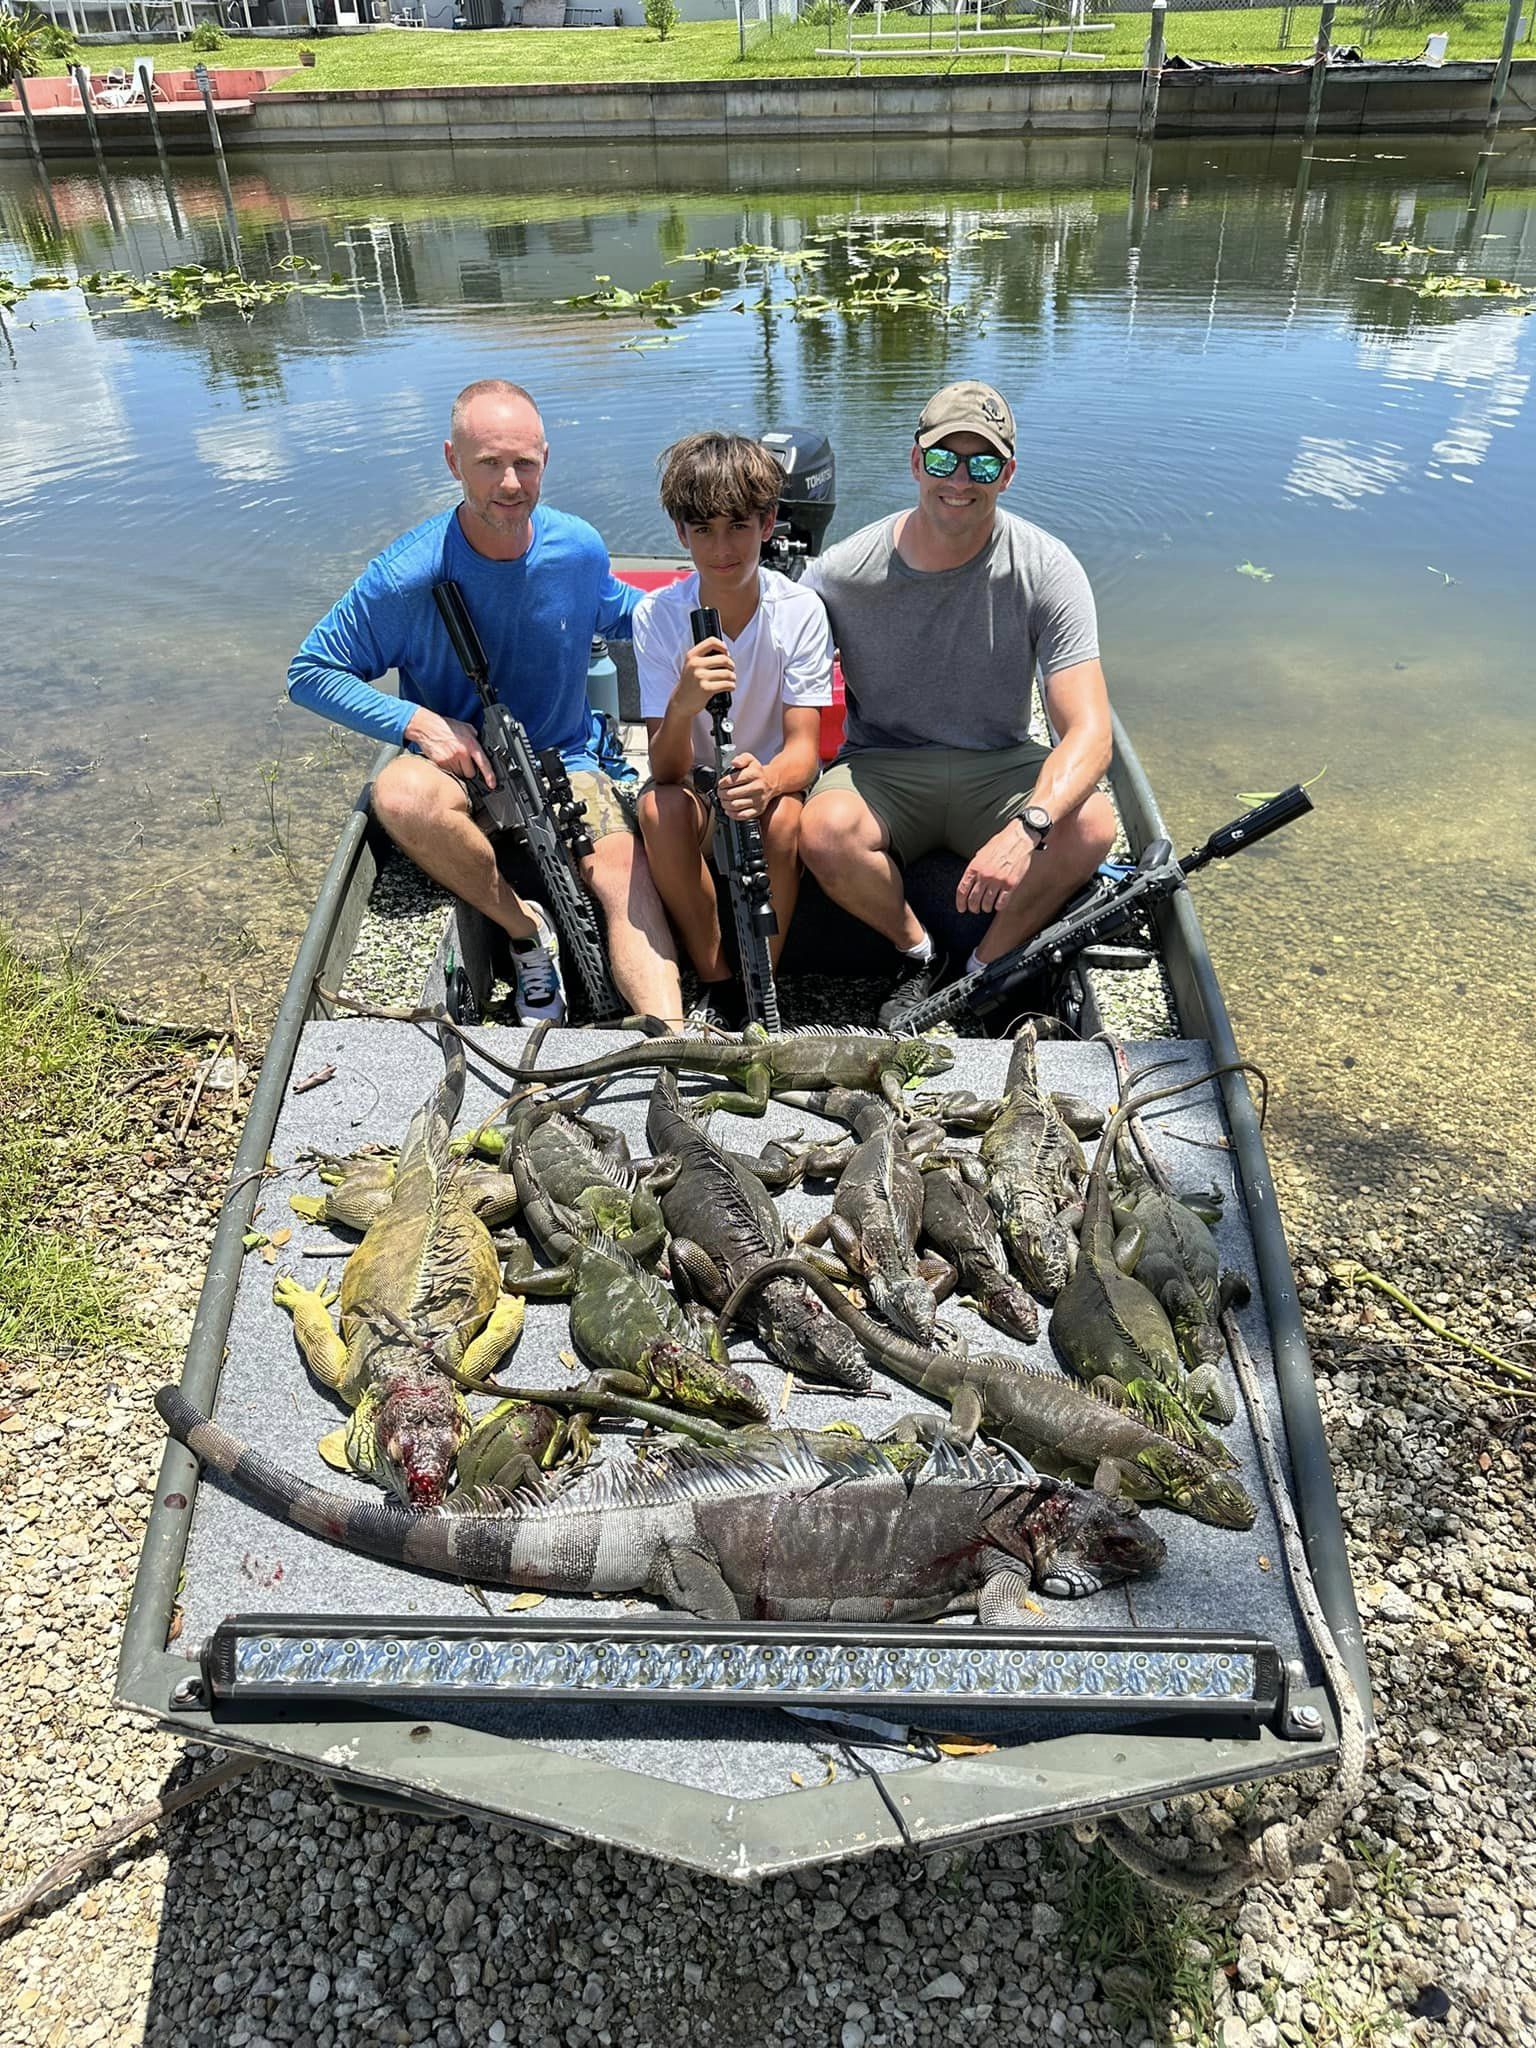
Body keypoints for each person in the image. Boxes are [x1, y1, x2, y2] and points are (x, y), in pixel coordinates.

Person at [287, 378, 681, 1023]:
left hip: (568, 759)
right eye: (489, 464)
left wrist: (729, 611)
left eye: (524, 463)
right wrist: (418, 721)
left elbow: (625, 616)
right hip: (464, 767)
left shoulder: (576, 547)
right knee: (399, 796)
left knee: (622, 876)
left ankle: (671, 1046)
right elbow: (311, 671)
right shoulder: (404, 577)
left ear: (545, 460)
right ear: (452, 461)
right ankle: (525, 935)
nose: (509, 484)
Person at [799, 379, 1117, 1032]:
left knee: (1091, 825)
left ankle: (984, 972)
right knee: (822, 831)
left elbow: (1090, 731)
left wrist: (1029, 826)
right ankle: (918, 954)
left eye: (983, 463)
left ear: (1008, 474)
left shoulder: (1047, 568)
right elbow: (774, 662)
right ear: (916, 462)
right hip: (885, 763)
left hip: (998, 762)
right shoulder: (841, 572)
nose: (960, 481)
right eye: (945, 459)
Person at [632, 432, 833, 1029]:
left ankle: (759, 978)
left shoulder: (799, 611)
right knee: (658, 811)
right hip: (697, 786)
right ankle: (717, 974)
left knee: (788, 816)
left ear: (769, 523)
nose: (722, 548)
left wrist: (766, 781)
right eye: (703, 530)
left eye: (739, 526)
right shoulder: (658, 616)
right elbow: (664, 770)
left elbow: (805, 752)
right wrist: (683, 701)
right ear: (680, 535)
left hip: (764, 785)